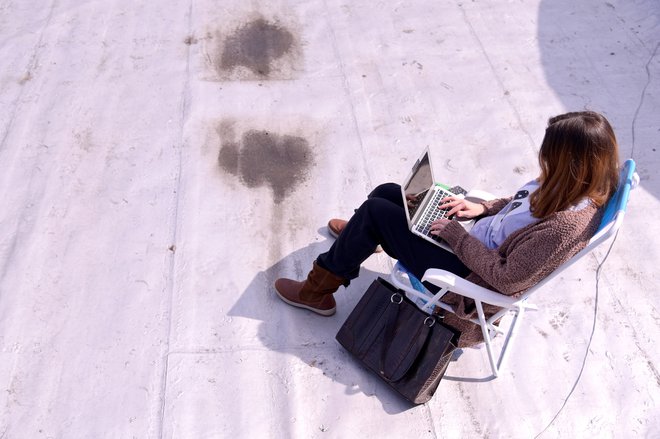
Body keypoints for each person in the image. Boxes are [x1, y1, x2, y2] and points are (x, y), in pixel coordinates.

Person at [274, 111, 620, 347]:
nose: (543, 159)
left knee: (378, 211)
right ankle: (364, 234)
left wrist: (457, 236)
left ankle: (316, 291)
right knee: (389, 193)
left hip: (467, 278)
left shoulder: (564, 229)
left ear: (571, 163)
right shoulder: (571, 184)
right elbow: (520, 204)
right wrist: (482, 207)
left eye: (550, 156)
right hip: (469, 241)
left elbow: (508, 278)